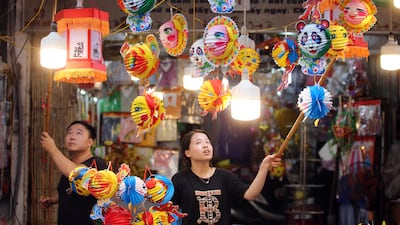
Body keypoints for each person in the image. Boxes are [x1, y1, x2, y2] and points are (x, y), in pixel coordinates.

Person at [171, 129, 282, 225]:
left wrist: (264, 167)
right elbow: (170, 211)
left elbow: (250, 195)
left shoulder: (225, 176)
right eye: (198, 142)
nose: (205, 145)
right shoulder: (179, 179)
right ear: (187, 153)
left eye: (207, 142)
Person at [39, 120, 107, 225]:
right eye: (69, 132)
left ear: (90, 142)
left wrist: (52, 149)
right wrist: (53, 200)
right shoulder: (69, 164)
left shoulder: (97, 164)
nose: (72, 136)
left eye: (79, 133)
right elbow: (71, 190)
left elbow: (77, 174)